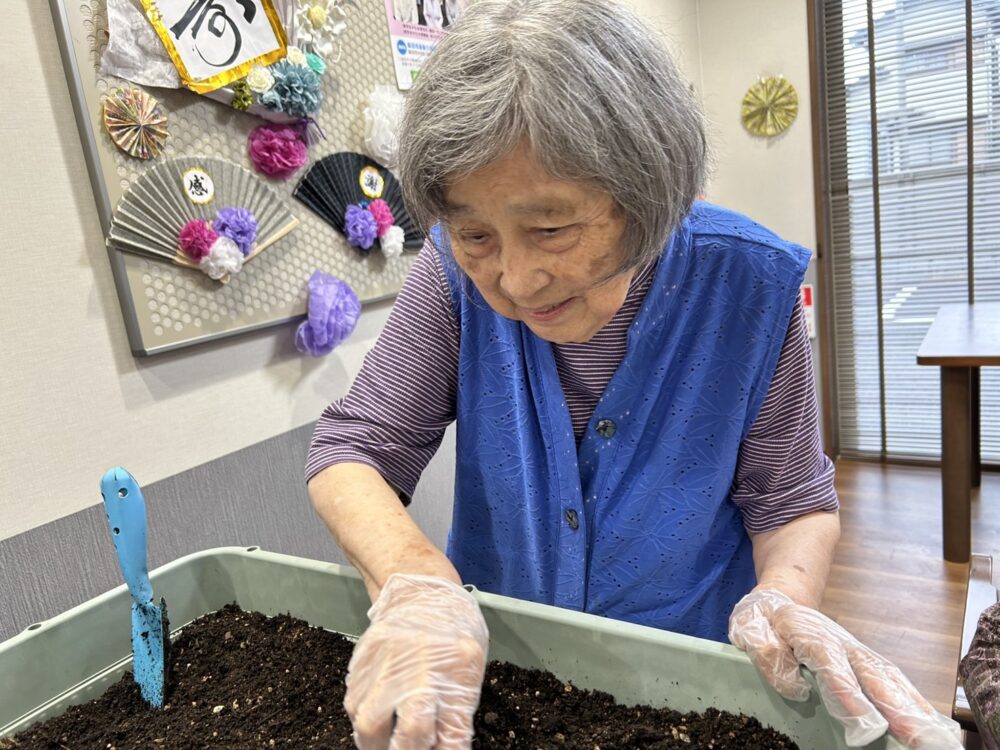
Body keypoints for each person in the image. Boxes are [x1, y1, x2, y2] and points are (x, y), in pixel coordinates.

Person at [305, 1, 962, 748]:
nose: (515, 279)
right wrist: (415, 580)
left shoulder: (749, 282)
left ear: (650, 197)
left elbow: (788, 499)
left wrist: (784, 596)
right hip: (498, 675)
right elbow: (355, 449)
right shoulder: (450, 277)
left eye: (552, 228)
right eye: (475, 232)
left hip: (685, 685)